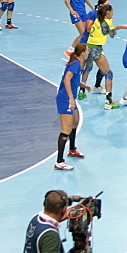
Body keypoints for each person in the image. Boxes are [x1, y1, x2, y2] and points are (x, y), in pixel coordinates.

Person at [86, 4, 127, 109]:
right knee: (108, 74)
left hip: (88, 46)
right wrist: (114, 31)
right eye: (112, 12)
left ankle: (82, 91)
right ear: (108, 12)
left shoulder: (97, 19)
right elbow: (112, 34)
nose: (113, 14)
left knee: (87, 68)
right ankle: (108, 101)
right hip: (96, 48)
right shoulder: (108, 22)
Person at [54, 42, 88, 171]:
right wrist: (70, 99)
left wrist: (84, 85)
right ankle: (59, 161)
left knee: (75, 123)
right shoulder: (75, 63)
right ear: (82, 53)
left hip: (69, 98)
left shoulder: (76, 63)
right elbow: (66, 80)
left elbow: (73, 79)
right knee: (66, 129)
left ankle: (72, 149)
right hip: (65, 99)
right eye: (87, 50)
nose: (89, 52)